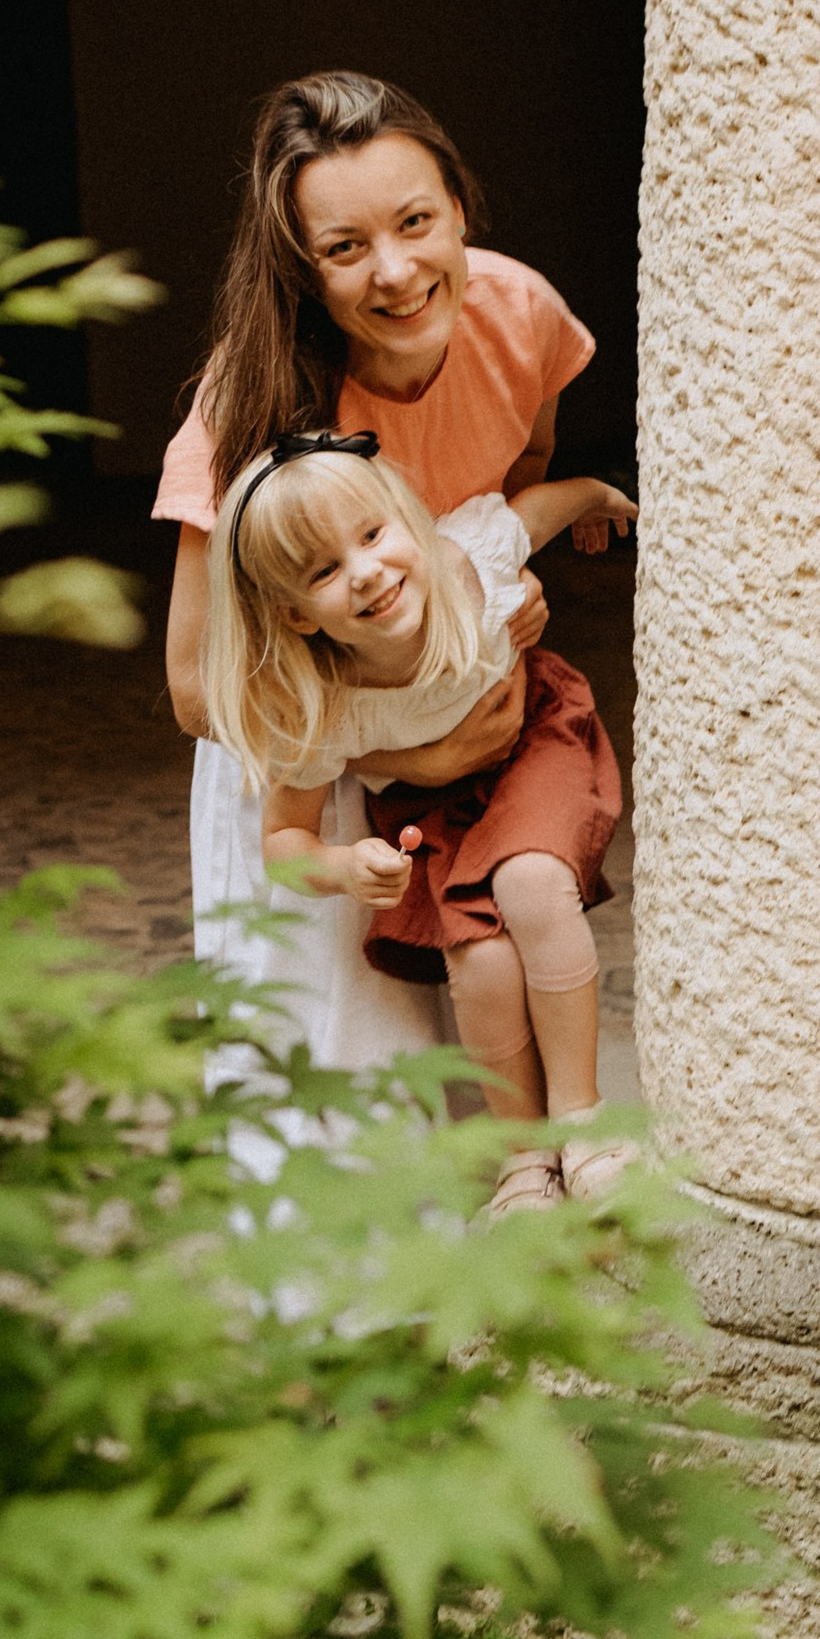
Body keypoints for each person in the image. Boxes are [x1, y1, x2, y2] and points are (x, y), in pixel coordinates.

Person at [158, 71, 621, 1083]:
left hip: (451, 706)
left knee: (485, 1061)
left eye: (417, 220)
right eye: (343, 248)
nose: (397, 271)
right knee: (337, 1101)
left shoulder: (521, 312)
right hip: (304, 756)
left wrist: (495, 611)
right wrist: (410, 753)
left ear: (460, 207)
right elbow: (200, 688)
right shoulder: (256, 391)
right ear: (301, 270)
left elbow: (521, 486)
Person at [200, 437, 634, 1202]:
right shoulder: (320, 707)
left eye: (372, 535)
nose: (365, 571)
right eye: (324, 571)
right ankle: (522, 1158)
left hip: (532, 737)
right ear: (298, 616)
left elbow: (532, 513)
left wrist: (596, 493)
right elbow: (282, 842)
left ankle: (582, 1120)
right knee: (481, 960)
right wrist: (341, 865)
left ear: (407, 521)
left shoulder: (468, 566)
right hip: (432, 806)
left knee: (533, 885)